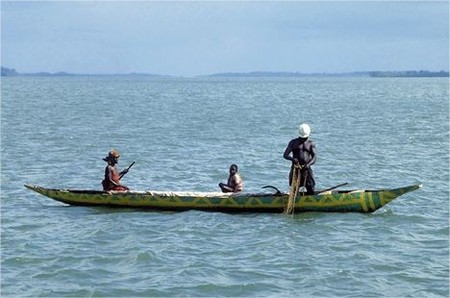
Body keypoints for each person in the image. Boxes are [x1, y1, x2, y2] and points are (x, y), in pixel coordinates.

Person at [283, 123, 316, 195]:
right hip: (296, 170)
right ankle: (296, 201)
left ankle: (310, 200)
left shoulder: (311, 144)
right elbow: (285, 155)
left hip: (307, 170)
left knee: (311, 189)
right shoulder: (293, 143)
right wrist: (292, 159)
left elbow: (314, 157)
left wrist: (309, 164)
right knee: (295, 191)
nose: (304, 139)